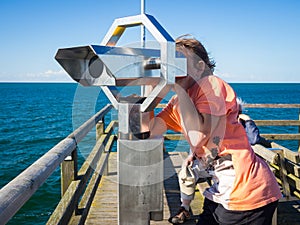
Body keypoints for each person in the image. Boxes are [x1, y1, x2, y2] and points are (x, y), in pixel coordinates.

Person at [149, 35, 281, 225]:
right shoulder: (178, 102)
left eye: (179, 61)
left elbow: (198, 136)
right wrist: (149, 93)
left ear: (200, 67)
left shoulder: (212, 85)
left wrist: (177, 87)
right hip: (221, 191)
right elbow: (149, 130)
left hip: (247, 193)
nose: (172, 68)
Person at [168, 97, 273, 224]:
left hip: (246, 188)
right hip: (231, 182)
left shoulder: (238, 128)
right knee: (189, 172)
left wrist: (247, 120)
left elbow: (254, 139)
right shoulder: (216, 128)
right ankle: (184, 208)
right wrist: (193, 154)